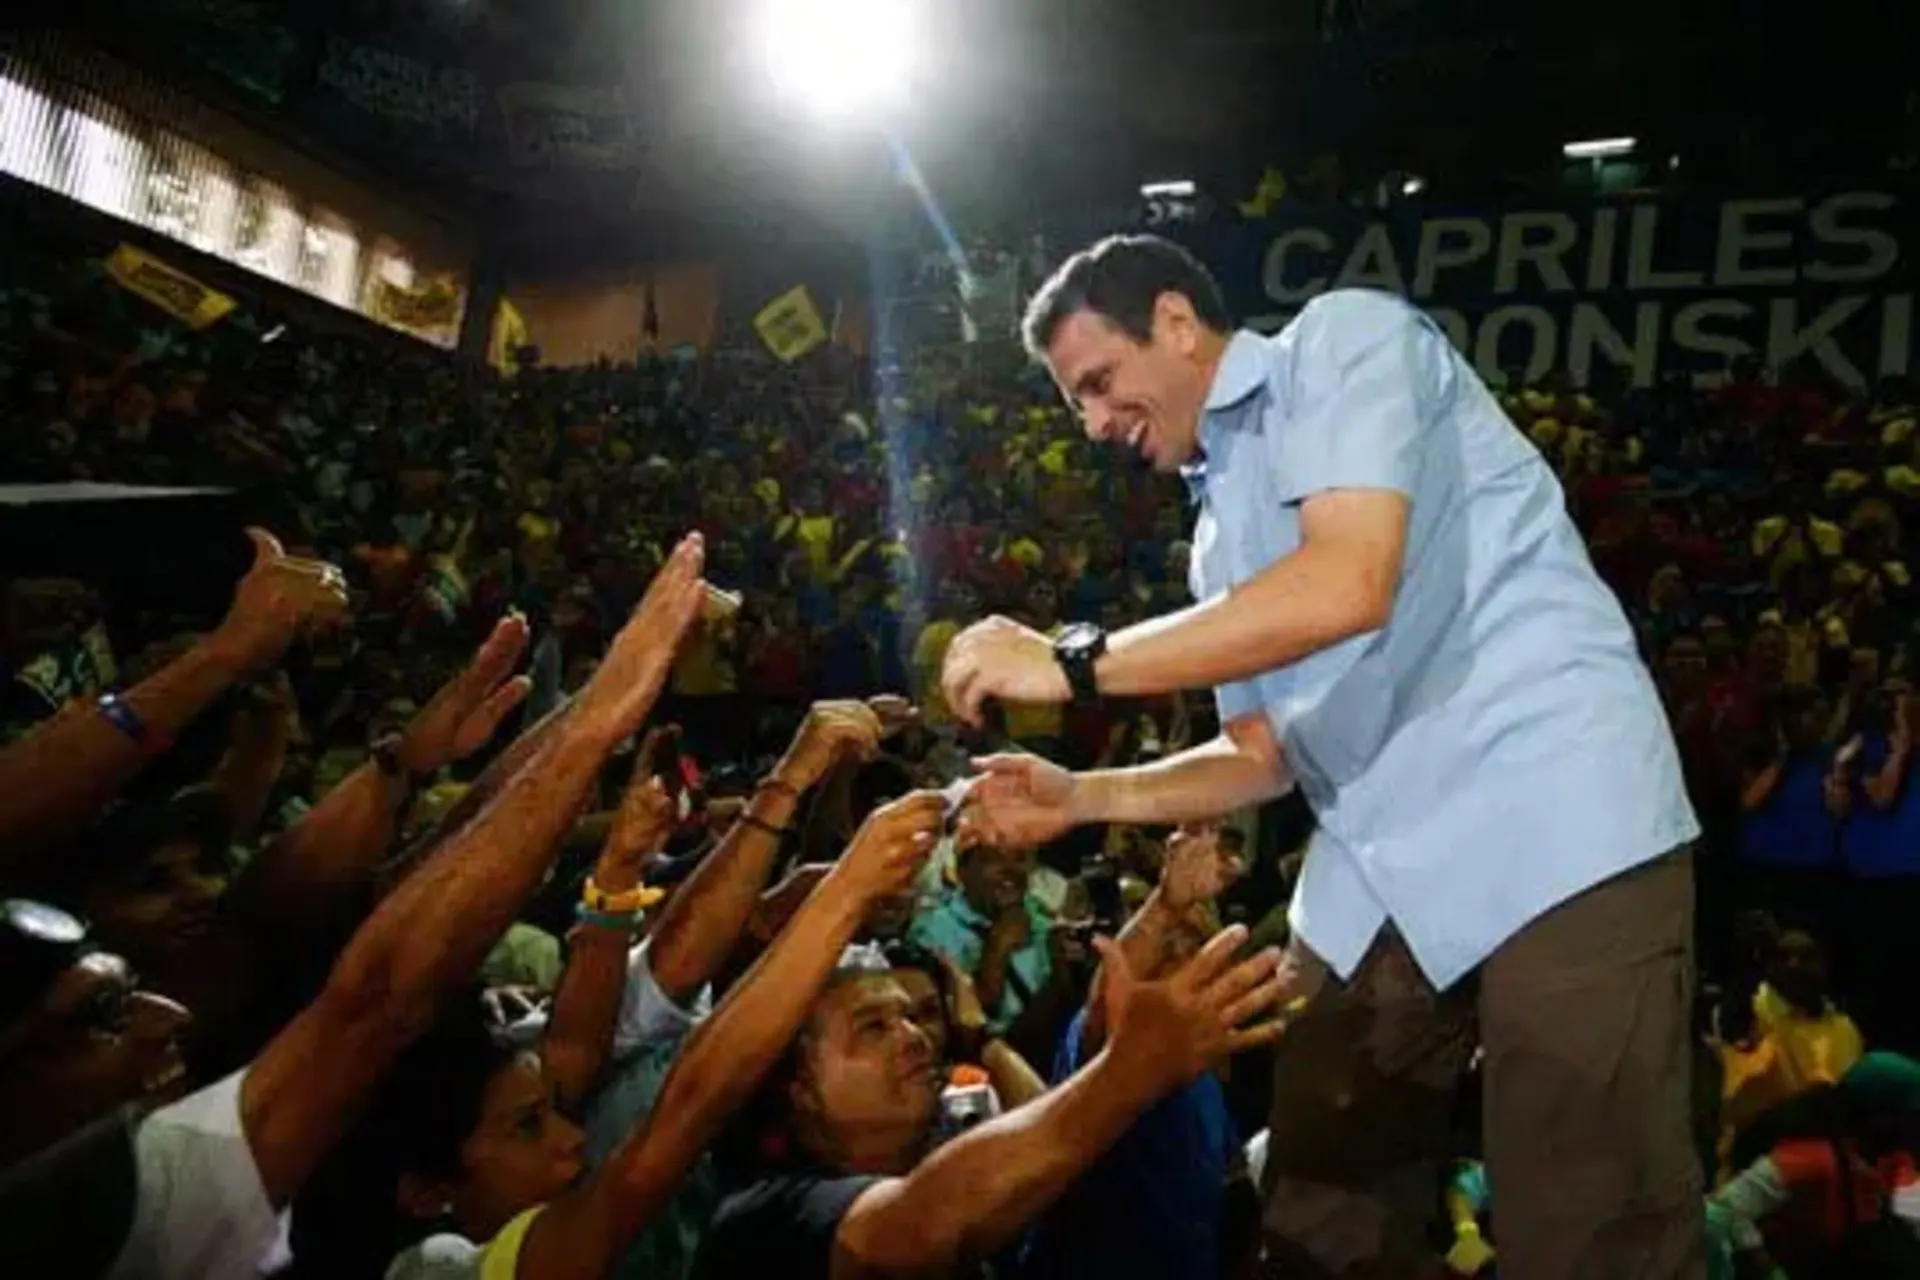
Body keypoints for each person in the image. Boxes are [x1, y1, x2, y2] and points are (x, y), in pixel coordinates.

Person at [943, 234, 1704, 1277]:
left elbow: (1347, 582)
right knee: (1315, 1212)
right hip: (1377, 873)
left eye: (1098, 382)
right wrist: (1079, 793)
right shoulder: (1216, 535)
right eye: (1076, 401)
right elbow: (1261, 755)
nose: (1092, 422)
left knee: (1584, 1229)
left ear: (1174, 321)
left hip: (1553, 817)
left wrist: (1074, 662)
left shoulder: (1343, 342)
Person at [691, 923, 1287, 1279]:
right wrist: (1128, 1072)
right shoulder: (761, 1217)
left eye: (912, 1017)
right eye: (874, 1027)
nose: (914, 1036)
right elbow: (923, 1227)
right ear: (798, 1091)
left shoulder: (955, 1143)